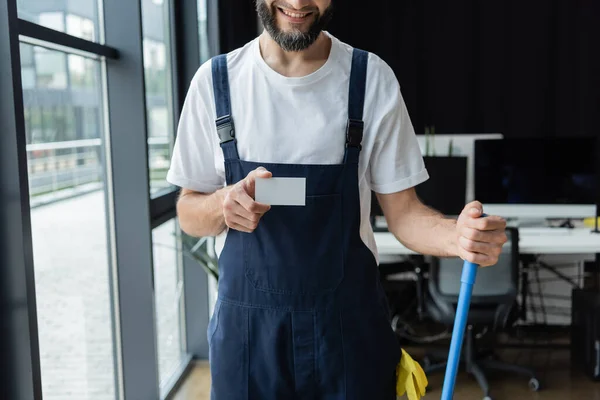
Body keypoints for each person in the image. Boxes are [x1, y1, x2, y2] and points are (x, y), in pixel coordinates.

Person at [167, 1, 508, 399]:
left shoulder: (370, 79)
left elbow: (406, 215)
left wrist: (458, 236)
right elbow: (189, 213)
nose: (298, 3)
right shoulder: (215, 83)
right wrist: (222, 203)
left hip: (348, 339)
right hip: (247, 345)